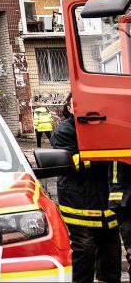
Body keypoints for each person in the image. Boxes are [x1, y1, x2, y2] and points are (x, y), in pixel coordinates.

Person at [51, 97, 121, 282]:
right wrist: (104, 153)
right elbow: (73, 163)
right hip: (79, 201)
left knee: (111, 251)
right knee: (84, 249)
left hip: (106, 203)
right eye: (76, 103)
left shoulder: (103, 127)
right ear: (69, 108)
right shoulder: (64, 131)